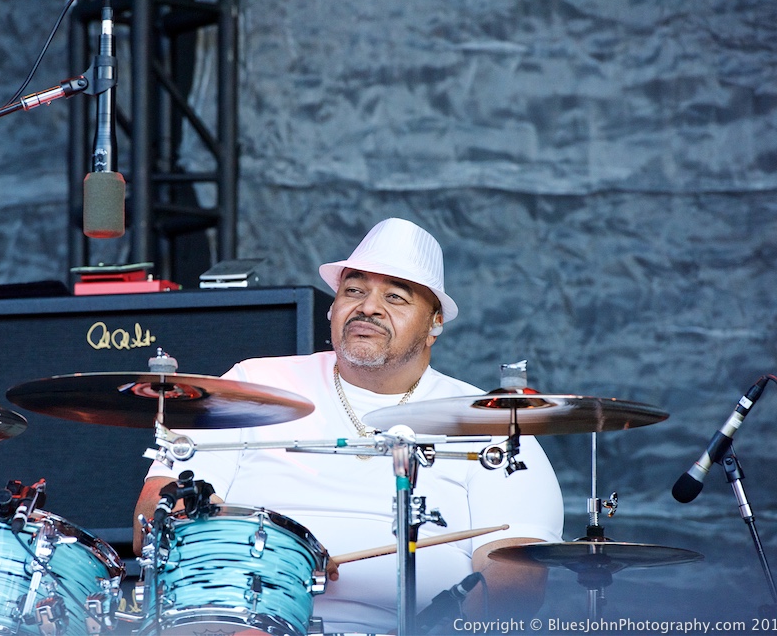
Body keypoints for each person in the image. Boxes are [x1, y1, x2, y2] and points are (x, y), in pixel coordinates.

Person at [134, 218, 564, 633]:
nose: (368, 307)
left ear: (435, 323)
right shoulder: (253, 383)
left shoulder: (490, 423)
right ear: (333, 308)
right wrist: (284, 554)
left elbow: (519, 579)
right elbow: (152, 516)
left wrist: (438, 628)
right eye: (353, 290)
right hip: (247, 626)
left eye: (396, 297)